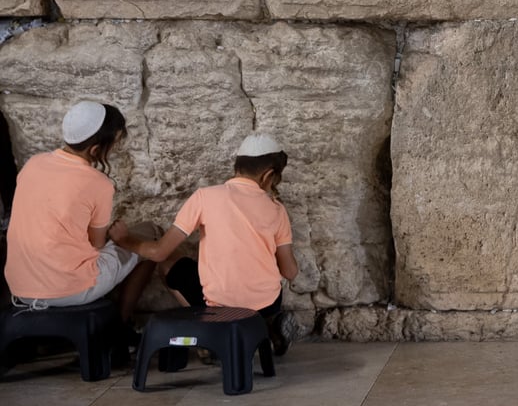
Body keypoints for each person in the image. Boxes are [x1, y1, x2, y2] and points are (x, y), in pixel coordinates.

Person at [113, 132, 299, 354]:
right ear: (268, 175)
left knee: (169, 262)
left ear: (237, 166)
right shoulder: (278, 210)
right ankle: (264, 327)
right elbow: (289, 271)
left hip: (219, 305)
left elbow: (159, 252)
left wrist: (124, 239)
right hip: (268, 305)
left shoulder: (205, 197)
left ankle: (208, 334)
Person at [4, 101, 155, 340]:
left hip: (20, 289)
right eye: (114, 145)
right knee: (150, 234)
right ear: (95, 150)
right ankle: (121, 326)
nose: (114, 150)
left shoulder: (32, 165)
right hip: (69, 289)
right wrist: (122, 237)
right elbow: (96, 245)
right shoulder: (98, 183)